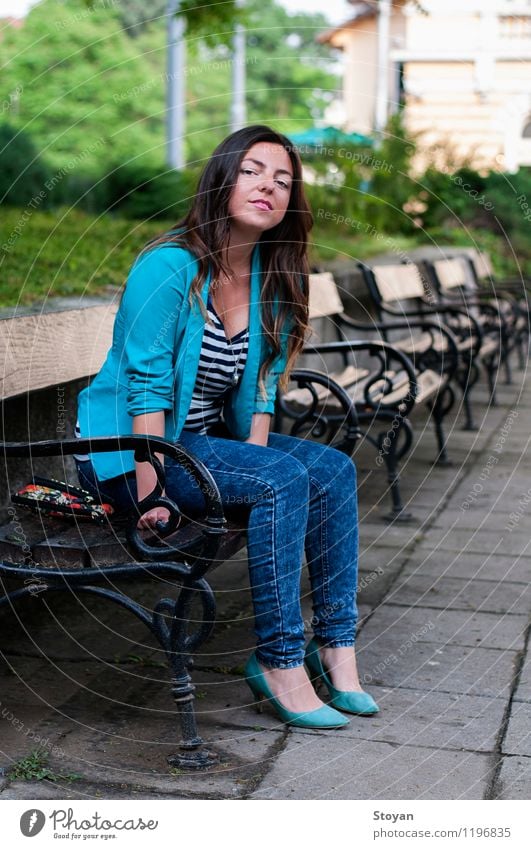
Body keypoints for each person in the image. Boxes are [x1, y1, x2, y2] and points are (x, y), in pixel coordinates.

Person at [74, 124, 379, 729]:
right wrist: (152, 490)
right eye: (253, 170)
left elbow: (263, 385)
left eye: (284, 179)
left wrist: (260, 467)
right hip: (132, 453)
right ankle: (279, 661)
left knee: (331, 470)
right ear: (222, 179)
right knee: (281, 481)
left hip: (204, 447)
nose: (269, 185)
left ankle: (337, 651)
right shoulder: (169, 267)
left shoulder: (270, 274)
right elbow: (146, 386)